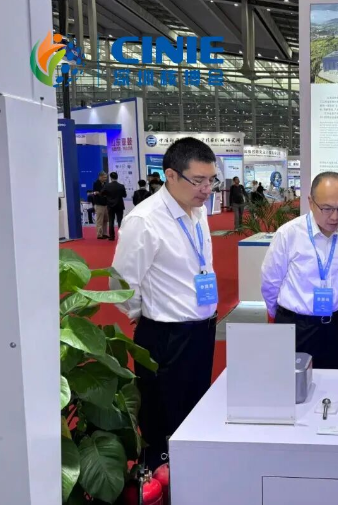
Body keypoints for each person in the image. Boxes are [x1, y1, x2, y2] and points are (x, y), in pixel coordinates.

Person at [111, 137, 219, 470]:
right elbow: (122, 283)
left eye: (211, 180)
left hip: (202, 330)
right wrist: (143, 313)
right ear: (171, 175)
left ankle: (192, 473)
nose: (206, 189)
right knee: (162, 417)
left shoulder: (198, 212)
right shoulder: (145, 220)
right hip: (165, 336)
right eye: (198, 180)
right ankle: (159, 479)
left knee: (195, 410)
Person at [261, 172, 338, 369]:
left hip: (333, 326)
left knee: (333, 382)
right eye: (327, 208)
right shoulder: (289, 234)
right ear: (311, 202)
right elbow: (270, 281)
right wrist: (283, 316)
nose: (335, 216)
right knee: (291, 384)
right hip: (296, 327)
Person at [102, 172, 127, 241]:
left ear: (110, 178)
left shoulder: (107, 186)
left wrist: (107, 196)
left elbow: (102, 193)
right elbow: (124, 195)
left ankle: (111, 236)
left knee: (111, 221)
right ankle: (121, 236)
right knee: (120, 221)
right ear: (117, 177)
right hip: (119, 205)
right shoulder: (121, 186)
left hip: (110, 205)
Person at [92, 171, 109, 239]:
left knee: (105, 220)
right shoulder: (96, 184)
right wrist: (102, 193)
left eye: (106, 177)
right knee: (99, 220)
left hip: (105, 204)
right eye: (104, 177)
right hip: (99, 204)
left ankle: (104, 233)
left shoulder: (105, 184)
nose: (105, 179)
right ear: (100, 177)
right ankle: (99, 234)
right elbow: (97, 193)